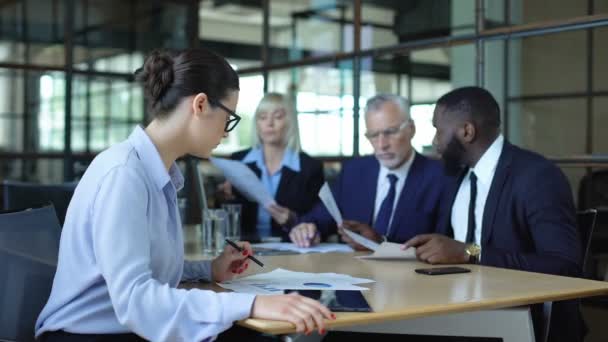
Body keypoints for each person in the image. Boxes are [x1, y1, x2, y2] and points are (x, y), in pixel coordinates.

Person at [35, 48, 334, 342]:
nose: (227, 133)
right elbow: (136, 299)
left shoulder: (155, 172)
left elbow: (145, 271)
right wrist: (253, 303)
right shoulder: (124, 174)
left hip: (121, 327)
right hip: (87, 335)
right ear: (200, 105)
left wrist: (209, 269)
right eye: (229, 118)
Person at [403, 86, 583, 342]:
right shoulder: (457, 176)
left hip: (519, 320)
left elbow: (565, 264)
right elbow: (447, 245)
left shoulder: (537, 176)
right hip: (455, 310)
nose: (434, 141)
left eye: (438, 130)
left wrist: (470, 252)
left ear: (467, 131)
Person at [289, 94, 445, 250]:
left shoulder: (440, 177)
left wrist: (381, 243)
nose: (382, 144)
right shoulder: (354, 171)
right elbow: (320, 217)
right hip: (351, 270)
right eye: (373, 135)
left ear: (411, 129)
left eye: (390, 132)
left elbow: (444, 245)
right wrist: (307, 228)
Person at [219, 93, 324, 241]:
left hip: (291, 248)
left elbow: (320, 220)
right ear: (257, 123)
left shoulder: (309, 167)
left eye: (278, 117)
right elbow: (225, 215)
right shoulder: (238, 160)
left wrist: (292, 219)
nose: (269, 123)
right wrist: (224, 196)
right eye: (262, 117)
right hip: (245, 247)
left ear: (290, 122)